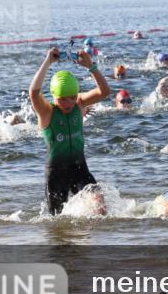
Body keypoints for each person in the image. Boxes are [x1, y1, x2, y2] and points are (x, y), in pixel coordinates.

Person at [29, 47, 111, 215]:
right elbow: (34, 93)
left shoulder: (80, 104)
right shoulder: (47, 112)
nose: (68, 103)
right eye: (62, 99)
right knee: (57, 223)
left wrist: (91, 66)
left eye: (72, 97)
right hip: (56, 175)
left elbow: (104, 92)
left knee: (99, 203)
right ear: (53, 96)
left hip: (80, 169)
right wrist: (48, 61)